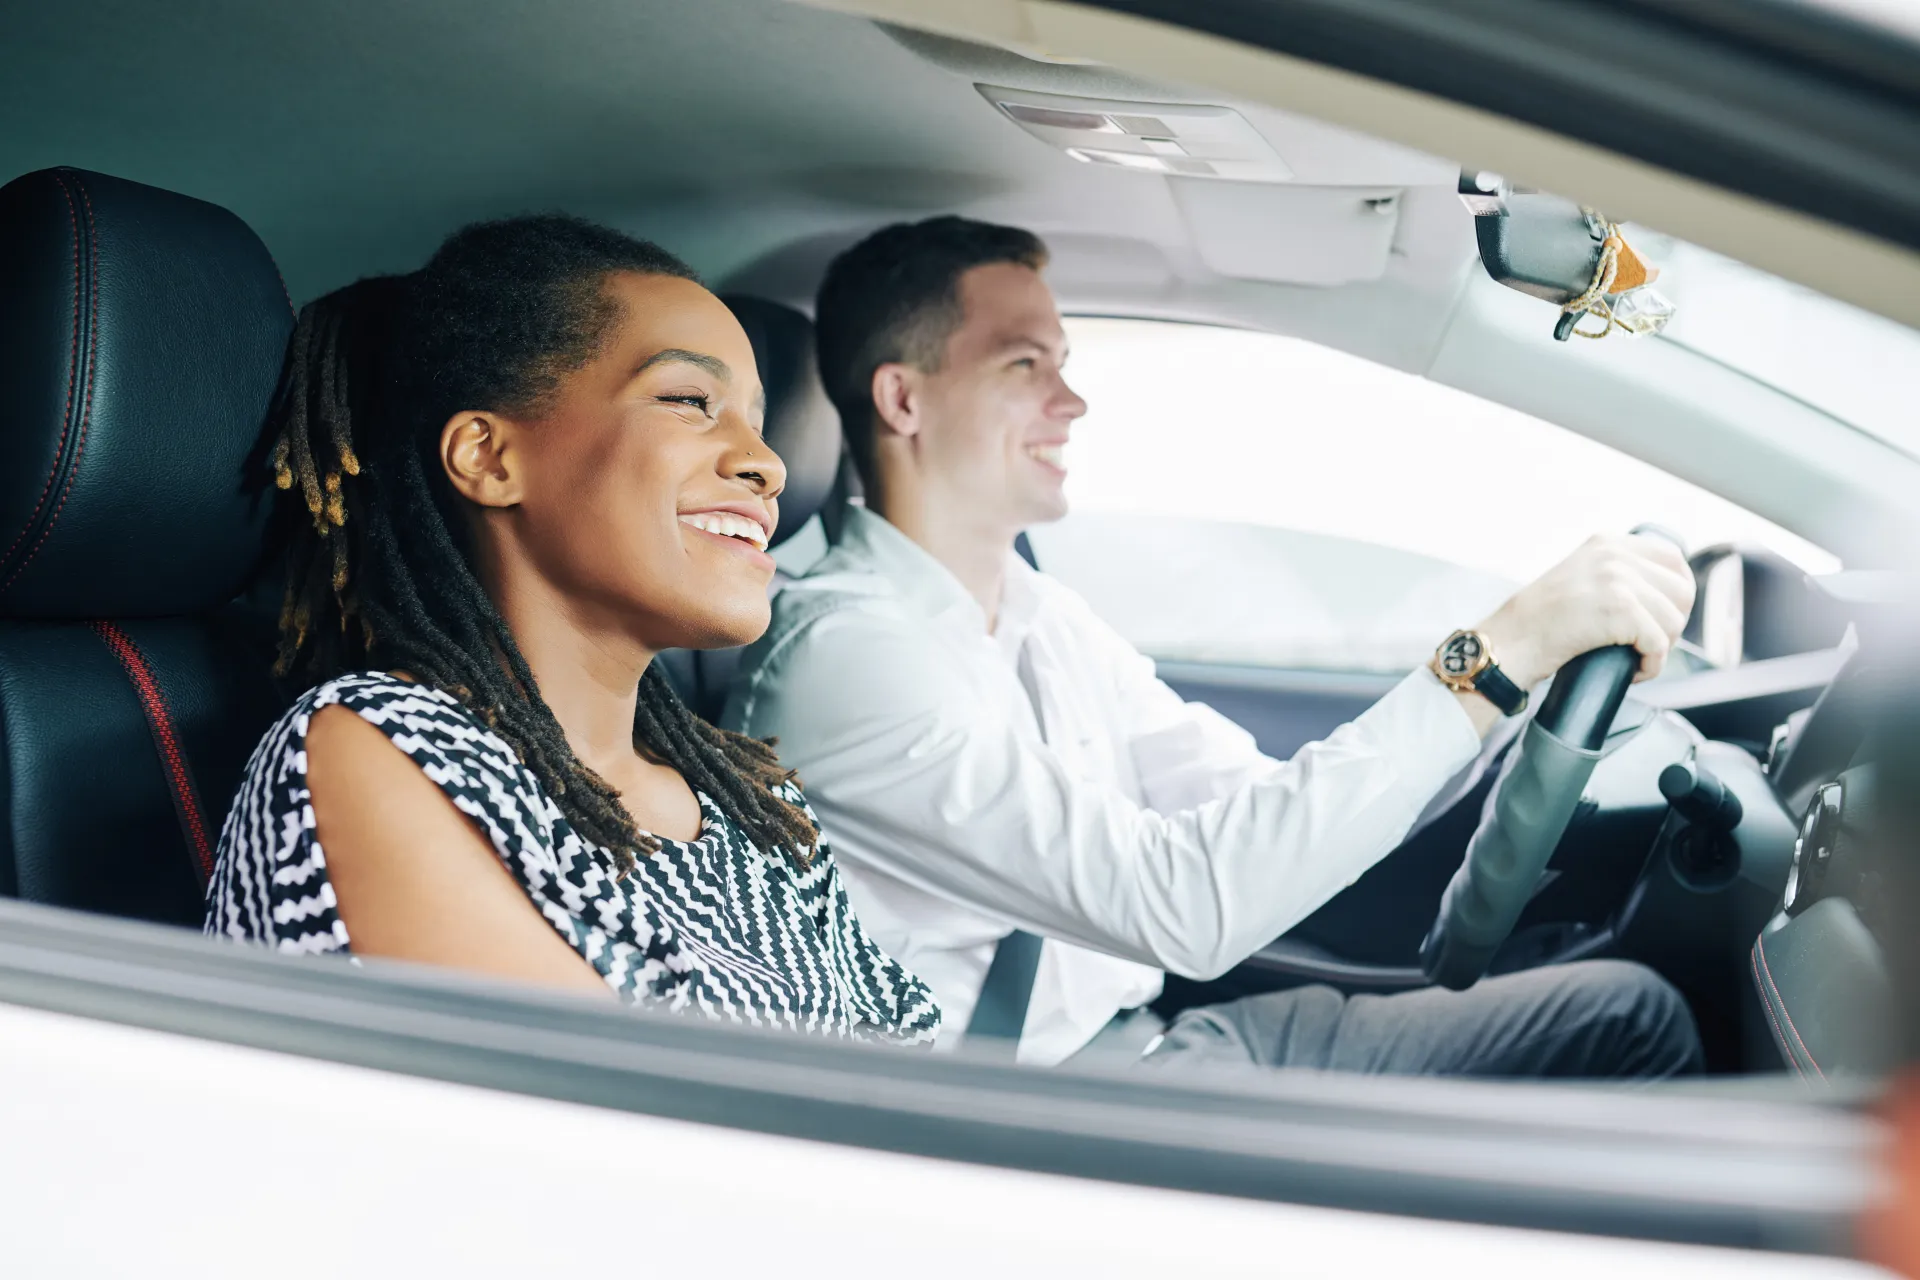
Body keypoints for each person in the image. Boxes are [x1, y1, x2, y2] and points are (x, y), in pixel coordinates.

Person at [723, 215, 1703, 1074]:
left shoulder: (1034, 610)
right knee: (1631, 1036)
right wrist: (1491, 657)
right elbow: (1187, 903)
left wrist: (1506, 706)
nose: (1072, 402)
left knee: (1627, 1012)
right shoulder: (843, 657)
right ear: (903, 401)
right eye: (1026, 365)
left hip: (1156, 1043)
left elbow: (1248, 808)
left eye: (1063, 363)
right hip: (1039, 1116)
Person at [206, 215, 939, 1046]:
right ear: (489, 458)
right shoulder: (384, 748)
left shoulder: (757, 806)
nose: (765, 464)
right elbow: (618, 1106)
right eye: (689, 401)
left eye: (759, 422)